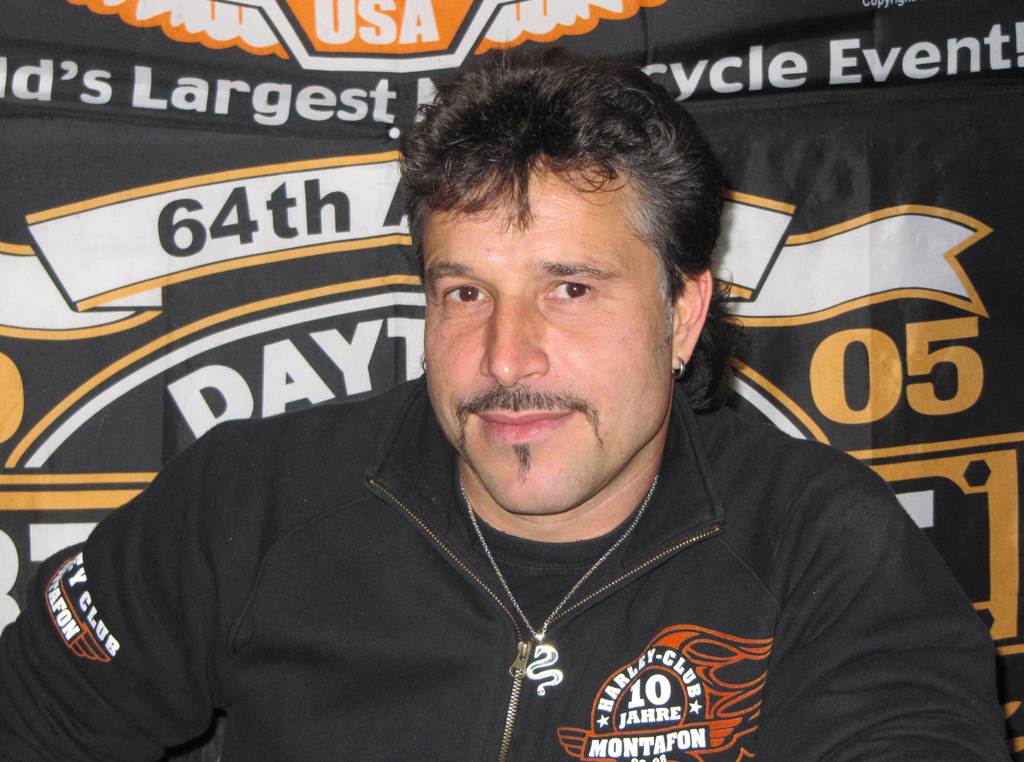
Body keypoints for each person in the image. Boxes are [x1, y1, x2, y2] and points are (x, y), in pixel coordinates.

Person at [0, 48, 1008, 762]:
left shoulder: (823, 544)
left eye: (570, 288)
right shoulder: (249, 502)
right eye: (464, 292)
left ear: (682, 313)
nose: (504, 355)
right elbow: (32, 717)